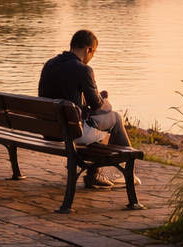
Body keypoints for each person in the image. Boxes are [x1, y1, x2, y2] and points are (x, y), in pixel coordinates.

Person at [37, 29, 132, 190]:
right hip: (73, 132)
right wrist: (105, 102)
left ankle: (96, 174)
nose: (91, 57)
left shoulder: (50, 64)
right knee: (115, 118)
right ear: (88, 49)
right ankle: (128, 171)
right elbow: (96, 104)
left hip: (51, 130)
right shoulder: (83, 69)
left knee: (100, 124)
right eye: (92, 53)